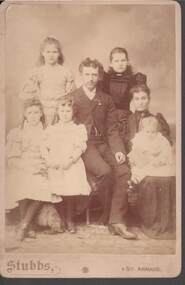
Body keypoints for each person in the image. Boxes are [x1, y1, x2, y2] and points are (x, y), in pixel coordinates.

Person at [71, 57, 137, 239]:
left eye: (94, 74)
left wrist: (118, 151)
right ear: (81, 75)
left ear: (99, 76)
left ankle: (117, 221)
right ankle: (108, 213)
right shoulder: (73, 98)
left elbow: (112, 129)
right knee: (105, 172)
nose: (91, 78)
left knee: (123, 171)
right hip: (84, 145)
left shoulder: (106, 99)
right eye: (87, 74)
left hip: (104, 144)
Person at [6, 99, 62, 241]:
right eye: (29, 113)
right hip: (23, 166)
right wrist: (26, 167)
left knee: (40, 189)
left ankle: (24, 225)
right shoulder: (17, 132)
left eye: (36, 112)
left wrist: (45, 166)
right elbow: (12, 157)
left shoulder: (47, 131)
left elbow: (52, 153)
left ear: (41, 113)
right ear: (25, 114)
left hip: (41, 166)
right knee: (23, 185)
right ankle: (29, 226)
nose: (33, 116)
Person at [42, 96, 90, 234]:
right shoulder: (51, 129)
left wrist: (70, 160)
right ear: (57, 111)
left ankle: (70, 220)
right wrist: (49, 159)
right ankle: (61, 219)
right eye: (62, 111)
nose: (64, 114)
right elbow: (43, 147)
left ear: (73, 112)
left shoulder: (78, 128)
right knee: (57, 191)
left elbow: (80, 147)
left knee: (70, 190)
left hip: (71, 163)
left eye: (67, 111)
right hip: (55, 163)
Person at [127, 116, 176, 239]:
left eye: (153, 132)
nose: (150, 134)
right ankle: (150, 219)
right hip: (143, 166)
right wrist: (146, 159)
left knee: (168, 177)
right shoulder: (138, 140)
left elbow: (166, 154)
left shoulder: (161, 140)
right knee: (145, 176)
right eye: (147, 132)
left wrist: (158, 160)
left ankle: (165, 219)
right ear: (142, 131)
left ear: (157, 130)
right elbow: (136, 156)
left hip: (157, 166)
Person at [19, 37, 75, 125]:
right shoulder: (37, 72)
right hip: (41, 113)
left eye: (54, 52)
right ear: (42, 53)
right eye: (48, 52)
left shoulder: (66, 72)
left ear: (59, 54)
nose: (51, 55)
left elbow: (71, 95)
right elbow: (24, 95)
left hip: (60, 112)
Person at [100, 47, 147, 142]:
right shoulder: (105, 79)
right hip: (108, 116)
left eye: (123, 60)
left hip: (125, 116)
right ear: (111, 64)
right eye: (116, 61)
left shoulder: (133, 79)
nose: (120, 63)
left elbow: (142, 99)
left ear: (127, 62)